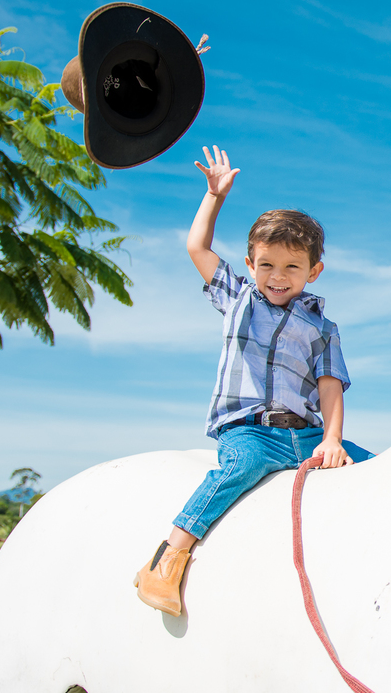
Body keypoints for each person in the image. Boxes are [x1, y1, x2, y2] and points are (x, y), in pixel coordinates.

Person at [134, 145, 367, 616]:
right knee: (239, 467)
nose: (277, 277)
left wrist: (333, 440)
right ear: (250, 264)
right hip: (250, 430)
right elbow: (196, 247)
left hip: (305, 433)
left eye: (291, 267)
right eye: (266, 265)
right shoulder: (238, 299)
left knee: (376, 468)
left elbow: (330, 386)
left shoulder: (323, 328)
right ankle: (167, 559)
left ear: (313, 271)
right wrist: (214, 197)